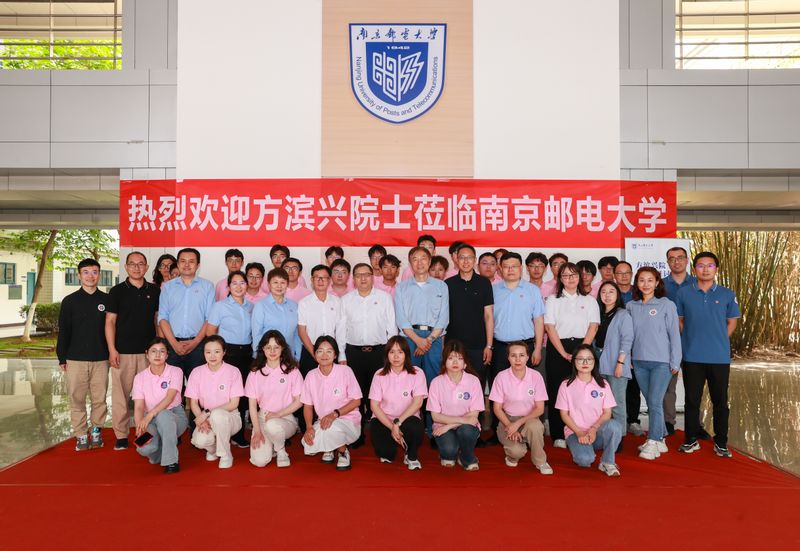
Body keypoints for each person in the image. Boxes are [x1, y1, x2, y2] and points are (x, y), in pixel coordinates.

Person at [676, 252, 740, 458]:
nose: (705, 269)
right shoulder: (684, 293)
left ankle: (721, 442)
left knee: (720, 401)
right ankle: (690, 440)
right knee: (692, 401)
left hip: (719, 357)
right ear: (694, 268)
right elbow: (680, 320)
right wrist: (690, 338)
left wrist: (718, 338)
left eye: (710, 265)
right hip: (692, 356)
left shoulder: (727, 294)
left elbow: (732, 322)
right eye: (701, 265)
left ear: (716, 269)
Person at [105, 251, 160, 450]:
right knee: (121, 396)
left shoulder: (154, 290)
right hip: (123, 352)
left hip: (148, 354)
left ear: (147, 267)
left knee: (149, 396)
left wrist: (159, 349)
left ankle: (146, 433)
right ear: (126, 267)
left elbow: (157, 320)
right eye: (132, 264)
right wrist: (112, 349)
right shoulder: (117, 291)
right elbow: (110, 322)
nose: (137, 268)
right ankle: (121, 435)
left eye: (141, 264)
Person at [627, 267, 681, 460]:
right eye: (642, 280)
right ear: (637, 283)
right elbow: (628, 335)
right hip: (639, 362)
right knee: (651, 401)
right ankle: (661, 438)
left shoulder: (666, 305)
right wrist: (628, 357)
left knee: (655, 402)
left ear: (657, 283)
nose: (646, 284)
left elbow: (674, 334)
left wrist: (675, 361)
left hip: (661, 362)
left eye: (650, 280)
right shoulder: (631, 306)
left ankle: (653, 440)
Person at [543, 262, 600, 448]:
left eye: (574, 275)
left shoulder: (590, 300)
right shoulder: (553, 300)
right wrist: (564, 353)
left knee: (582, 390)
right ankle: (558, 434)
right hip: (558, 347)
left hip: (582, 347)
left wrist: (581, 352)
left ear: (579, 277)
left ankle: (582, 430)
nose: (570, 279)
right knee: (557, 390)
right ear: (560, 278)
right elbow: (549, 327)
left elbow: (593, 326)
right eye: (566, 275)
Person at [57, 258, 110, 451]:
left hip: (101, 359)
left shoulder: (107, 300)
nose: (90, 276)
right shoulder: (70, 301)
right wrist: (62, 357)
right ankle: (80, 434)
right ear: (79, 275)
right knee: (77, 398)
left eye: (94, 272)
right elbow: (64, 331)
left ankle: (96, 431)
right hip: (75, 359)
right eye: (86, 272)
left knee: (99, 399)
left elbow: (112, 329)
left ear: (99, 275)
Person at [342, 263, 397, 447]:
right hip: (354, 352)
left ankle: (378, 430)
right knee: (355, 394)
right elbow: (341, 329)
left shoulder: (384, 298)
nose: (363, 278)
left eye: (366, 274)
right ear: (353, 279)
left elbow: (392, 328)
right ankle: (356, 433)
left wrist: (392, 354)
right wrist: (341, 355)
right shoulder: (346, 300)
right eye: (358, 275)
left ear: (373, 277)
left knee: (378, 394)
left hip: (379, 352)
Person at [555, 345, 622, 476]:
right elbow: (564, 414)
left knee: (615, 426)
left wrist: (594, 429)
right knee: (585, 460)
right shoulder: (566, 385)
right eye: (580, 359)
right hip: (576, 433)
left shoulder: (603, 384)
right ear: (574, 362)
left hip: (597, 431)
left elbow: (607, 413)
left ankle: (607, 462)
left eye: (589, 359)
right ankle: (584, 450)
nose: (585, 363)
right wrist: (579, 433)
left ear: (594, 362)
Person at [489, 341, 552, 474]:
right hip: (507, 420)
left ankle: (541, 461)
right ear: (508, 358)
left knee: (535, 427)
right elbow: (497, 409)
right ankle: (512, 454)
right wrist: (509, 425)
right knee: (516, 452)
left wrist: (518, 424)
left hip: (529, 419)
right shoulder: (501, 377)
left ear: (528, 357)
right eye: (513, 355)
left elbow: (540, 409)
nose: (518, 359)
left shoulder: (536, 376)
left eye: (522, 355)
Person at [301, 336, 362, 471]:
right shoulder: (311, 375)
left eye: (329, 351)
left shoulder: (345, 371)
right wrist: (309, 427)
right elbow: (308, 406)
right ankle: (328, 447)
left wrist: (335, 414)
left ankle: (342, 452)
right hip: (324, 422)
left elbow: (356, 401)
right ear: (315, 354)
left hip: (347, 420)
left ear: (335, 355)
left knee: (330, 428)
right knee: (307, 442)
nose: (324, 355)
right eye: (320, 351)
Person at [207, 270, 253, 448]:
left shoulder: (251, 306)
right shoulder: (220, 306)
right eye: (234, 283)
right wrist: (218, 354)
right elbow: (211, 332)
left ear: (246, 285)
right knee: (224, 393)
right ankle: (218, 431)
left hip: (246, 353)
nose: (239, 286)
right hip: (227, 353)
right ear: (228, 286)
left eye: (242, 283)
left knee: (240, 395)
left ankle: (238, 434)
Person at [185, 336, 244, 469]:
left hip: (230, 417)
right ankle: (213, 450)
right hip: (206, 418)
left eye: (217, 351)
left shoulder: (233, 371)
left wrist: (206, 413)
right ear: (204, 353)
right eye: (208, 352)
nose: (212, 356)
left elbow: (234, 404)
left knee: (218, 415)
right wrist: (202, 419)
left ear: (224, 352)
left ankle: (225, 455)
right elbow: (193, 403)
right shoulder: (196, 372)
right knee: (199, 441)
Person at [368, 336, 427, 469]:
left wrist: (397, 423)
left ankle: (411, 454)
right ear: (387, 355)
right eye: (392, 352)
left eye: (400, 352)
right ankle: (392, 444)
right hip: (384, 419)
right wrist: (392, 427)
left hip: (407, 419)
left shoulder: (417, 373)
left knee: (415, 427)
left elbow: (418, 403)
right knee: (386, 453)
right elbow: (374, 406)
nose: (396, 356)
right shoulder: (379, 374)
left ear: (406, 354)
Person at [395, 246, 449, 391]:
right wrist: (418, 340)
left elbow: (443, 318)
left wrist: (428, 340)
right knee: (410, 378)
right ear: (410, 263)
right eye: (415, 259)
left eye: (423, 259)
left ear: (429, 261)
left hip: (434, 337)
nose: (419, 263)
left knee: (434, 378)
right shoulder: (402, 287)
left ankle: (432, 407)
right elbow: (401, 319)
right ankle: (413, 407)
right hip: (410, 337)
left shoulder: (441, 286)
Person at [246, 330, 303, 468]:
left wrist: (278, 414)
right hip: (263, 417)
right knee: (260, 462)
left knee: (273, 426)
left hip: (285, 417)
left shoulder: (292, 370)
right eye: (268, 347)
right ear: (263, 349)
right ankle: (271, 444)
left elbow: (299, 401)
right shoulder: (255, 372)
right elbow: (252, 406)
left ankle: (281, 450)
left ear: (282, 348)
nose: (272, 351)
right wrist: (257, 431)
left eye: (276, 347)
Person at [157, 247, 215, 379]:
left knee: (198, 387)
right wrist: (174, 343)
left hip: (198, 346)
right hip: (172, 345)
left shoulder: (207, 286)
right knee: (171, 386)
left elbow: (210, 318)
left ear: (198, 265)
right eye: (183, 261)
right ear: (177, 264)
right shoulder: (168, 287)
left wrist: (195, 342)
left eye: (191, 261)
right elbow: (162, 318)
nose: (187, 265)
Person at [491, 251, 545, 392]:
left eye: (514, 266)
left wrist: (538, 349)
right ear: (500, 269)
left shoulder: (533, 290)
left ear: (521, 268)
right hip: (499, 348)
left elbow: (539, 321)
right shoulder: (493, 290)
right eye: (506, 266)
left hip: (525, 347)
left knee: (526, 389)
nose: (510, 270)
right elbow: (487, 319)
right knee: (498, 388)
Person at [131, 338, 187, 474]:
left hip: (174, 416)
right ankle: (161, 450)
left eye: (162, 351)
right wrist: (139, 427)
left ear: (167, 355)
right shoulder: (139, 377)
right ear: (147, 354)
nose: (157, 355)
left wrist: (150, 414)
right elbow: (138, 407)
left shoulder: (176, 371)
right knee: (144, 448)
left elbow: (169, 398)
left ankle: (171, 462)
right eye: (153, 351)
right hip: (150, 420)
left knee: (163, 415)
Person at [427, 340, 485, 470]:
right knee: (449, 452)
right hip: (442, 425)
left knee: (466, 431)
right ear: (444, 361)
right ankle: (449, 452)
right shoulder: (436, 382)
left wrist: (451, 425)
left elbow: (473, 417)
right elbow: (436, 416)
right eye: (450, 358)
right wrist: (456, 422)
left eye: (459, 358)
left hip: (466, 426)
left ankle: (467, 457)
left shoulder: (473, 381)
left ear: (465, 363)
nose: (455, 362)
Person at [445, 243, 494, 395]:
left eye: (469, 258)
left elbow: (488, 316)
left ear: (475, 260)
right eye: (462, 258)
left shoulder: (484, 283)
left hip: (478, 346)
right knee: (453, 386)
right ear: (456, 259)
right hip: (454, 345)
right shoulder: (448, 284)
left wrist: (489, 345)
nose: (465, 261)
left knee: (477, 386)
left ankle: (476, 412)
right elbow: (443, 318)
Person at [594, 281, 633, 449]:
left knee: (617, 403)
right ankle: (603, 435)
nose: (607, 295)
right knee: (600, 403)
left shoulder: (623, 314)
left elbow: (627, 340)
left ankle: (619, 438)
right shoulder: (597, 314)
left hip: (616, 361)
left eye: (611, 291)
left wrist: (620, 363)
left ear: (617, 295)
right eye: (604, 291)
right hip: (598, 361)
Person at [662, 246, 696, 436]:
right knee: (668, 387)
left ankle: (696, 425)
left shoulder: (697, 283)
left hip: (693, 341)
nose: (676, 261)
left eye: (680, 257)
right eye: (672, 258)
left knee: (694, 386)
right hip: (667, 343)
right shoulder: (660, 285)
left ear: (687, 260)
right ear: (667, 262)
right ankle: (668, 422)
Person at [298, 265, 347, 375]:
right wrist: (314, 353)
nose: (320, 280)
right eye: (317, 277)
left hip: (331, 352)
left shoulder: (337, 302)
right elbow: (302, 331)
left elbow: (341, 329)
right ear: (312, 280)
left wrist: (341, 354)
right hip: (310, 351)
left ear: (329, 280)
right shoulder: (304, 303)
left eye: (324, 277)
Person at [251, 268, 300, 360]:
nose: (279, 286)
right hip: (267, 356)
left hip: (289, 356)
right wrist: (259, 357)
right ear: (269, 285)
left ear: (287, 284)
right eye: (275, 282)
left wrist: (297, 356)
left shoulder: (294, 305)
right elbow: (256, 334)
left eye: (283, 282)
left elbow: (296, 334)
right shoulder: (261, 305)